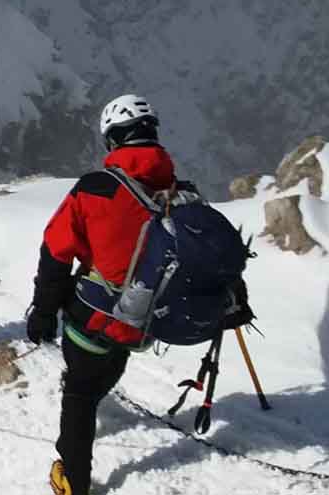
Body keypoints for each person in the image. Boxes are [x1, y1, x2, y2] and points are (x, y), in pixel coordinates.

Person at [25, 94, 251, 495]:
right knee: (109, 360)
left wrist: (43, 312)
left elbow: (56, 253)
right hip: (145, 322)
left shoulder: (94, 189)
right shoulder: (184, 194)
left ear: (112, 141)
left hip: (95, 320)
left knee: (79, 392)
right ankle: (101, 390)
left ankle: (74, 480)